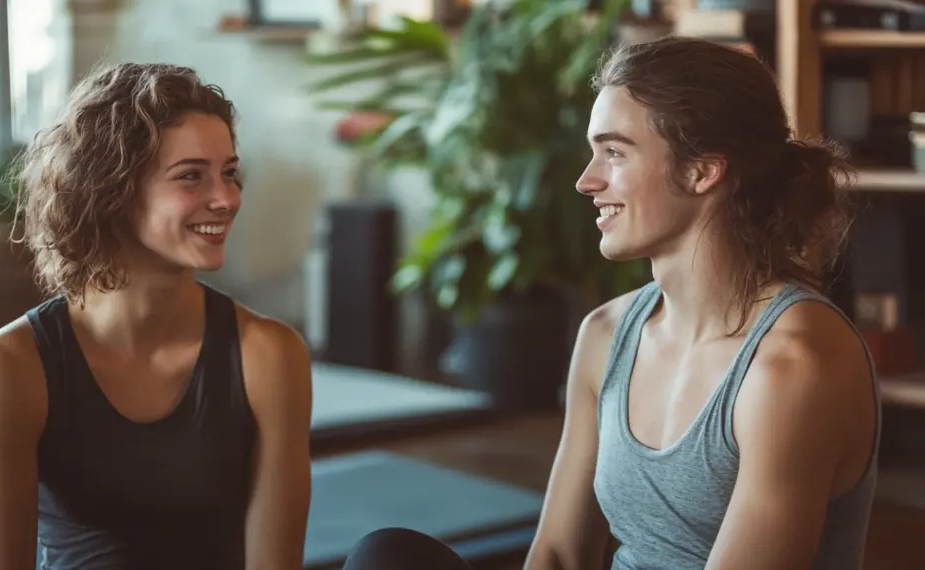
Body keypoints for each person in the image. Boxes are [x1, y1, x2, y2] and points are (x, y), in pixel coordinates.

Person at [342, 36, 879, 570]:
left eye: (615, 152)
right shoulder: (606, 334)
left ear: (701, 171)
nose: (587, 180)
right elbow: (557, 552)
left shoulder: (795, 363)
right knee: (388, 556)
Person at [0, 62, 313, 570]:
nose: (227, 198)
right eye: (192, 176)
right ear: (112, 190)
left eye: (229, 173)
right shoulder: (5, 370)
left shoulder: (270, 356)